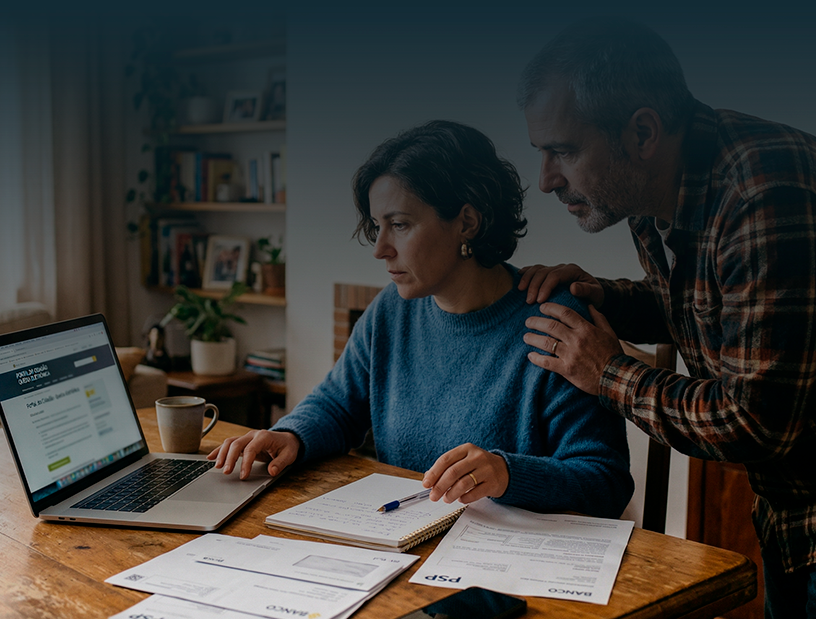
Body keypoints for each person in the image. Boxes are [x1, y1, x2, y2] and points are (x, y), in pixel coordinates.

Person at [515, 18, 816, 618]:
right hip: (798, 514)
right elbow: (715, 306)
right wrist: (604, 297)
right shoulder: (650, 186)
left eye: (564, 151)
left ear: (643, 131)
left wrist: (607, 373)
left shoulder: (767, 197)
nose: (548, 179)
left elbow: (753, 423)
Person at [210, 120, 633, 517]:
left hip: (509, 570)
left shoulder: (557, 326)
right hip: (402, 551)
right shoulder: (391, 311)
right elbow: (338, 406)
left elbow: (606, 481)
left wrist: (507, 474)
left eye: (400, 224)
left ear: (467, 222)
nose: (380, 248)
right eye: (377, 226)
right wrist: (292, 436)